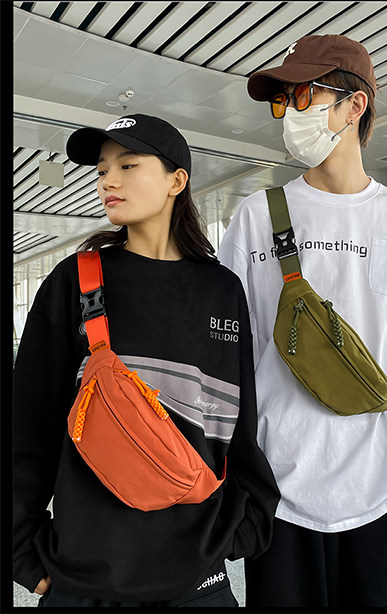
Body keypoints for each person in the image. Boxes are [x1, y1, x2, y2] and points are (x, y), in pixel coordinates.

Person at [217, 35, 387, 608]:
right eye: (284, 101)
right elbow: (227, 343)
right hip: (279, 476)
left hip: (377, 473)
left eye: (304, 96)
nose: (290, 113)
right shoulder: (256, 216)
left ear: (355, 106)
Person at [13, 113, 280, 608]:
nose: (108, 181)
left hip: (197, 578)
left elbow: (237, 422)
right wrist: (22, 553)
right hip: (86, 576)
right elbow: (29, 422)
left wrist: (247, 524)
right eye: (101, 170)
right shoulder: (75, 282)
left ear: (177, 181)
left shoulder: (222, 290)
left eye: (128, 165)